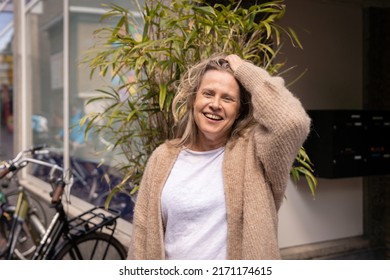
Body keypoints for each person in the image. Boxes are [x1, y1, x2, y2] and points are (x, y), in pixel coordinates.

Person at [127, 54, 311, 260]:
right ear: (193, 100)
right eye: (208, 93)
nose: (215, 104)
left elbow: (293, 122)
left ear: (239, 110)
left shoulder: (255, 153)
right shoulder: (162, 157)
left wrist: (244, 70)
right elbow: (142, 238)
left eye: (227, 98)